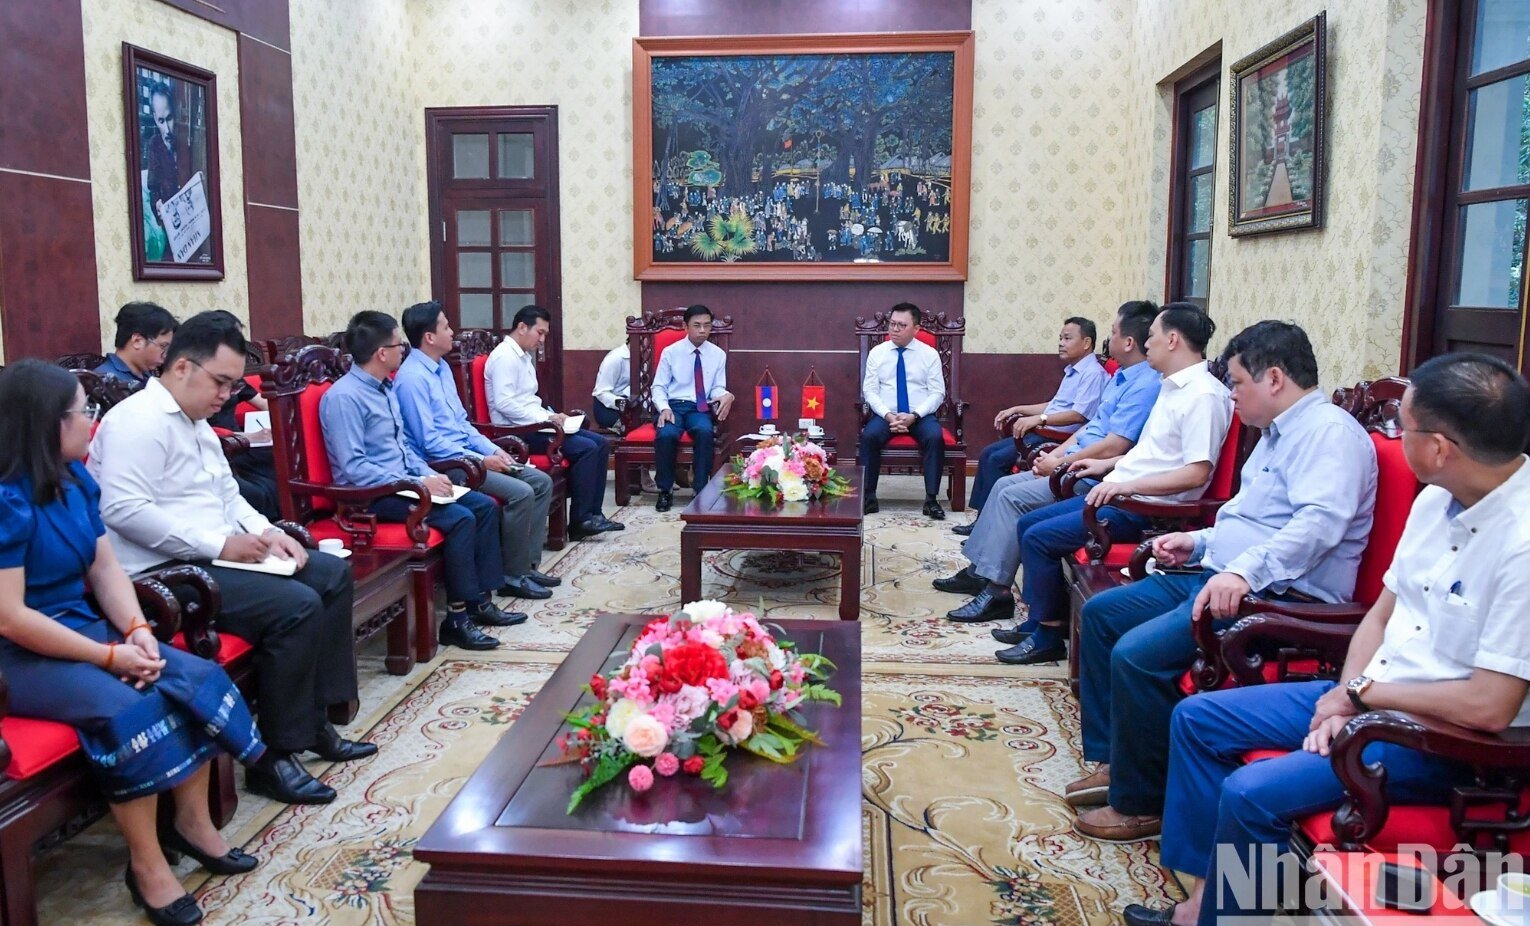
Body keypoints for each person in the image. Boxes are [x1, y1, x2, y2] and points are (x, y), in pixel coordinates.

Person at [1125, 353, 1530, 926]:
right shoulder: (1438, 497)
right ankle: (1207, 898)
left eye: (1403, 430)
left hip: (1441, 738)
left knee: (1251, 792)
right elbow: (1383, 614)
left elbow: (1488, 706)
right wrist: (1345, 696)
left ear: (1439, 448)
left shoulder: (1522, 544)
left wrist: (1362, 700)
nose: (1392, 440)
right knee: (1197, 720)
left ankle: (1227, 916)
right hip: (1375, 693)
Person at [1065, 321, 1378, 844]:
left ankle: (1141, 804)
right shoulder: (1277, 433)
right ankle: (1120, 761)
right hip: (1220, 575)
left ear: (1274, 378)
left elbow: (1317, 527)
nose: (1232, 396)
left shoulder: (1330, 435)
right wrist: (1201, 543)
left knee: (1136, 654)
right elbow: (1243, 518)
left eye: (1237, 383)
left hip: (1278, 597)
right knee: (1102, 616)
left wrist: (1241, 570)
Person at [0, 359, 265, 926]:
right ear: (46, 422)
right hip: (18, 654)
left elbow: (104, 569)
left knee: (194, 679)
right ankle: (147, 865)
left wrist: (138, 631)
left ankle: (193, 825)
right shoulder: (6, 499)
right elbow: (12, 618)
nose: (91, 423)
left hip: (81, 627)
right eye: (82, 411)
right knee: (137, 707)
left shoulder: (72, 478)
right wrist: (109, 656)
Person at [90, 311, 372, 808]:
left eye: (232, 384)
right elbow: (123, 511)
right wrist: (219, 545)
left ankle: (317, 722)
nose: (226, 396)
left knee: (329, 572)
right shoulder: (137, 422)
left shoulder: (196, 423)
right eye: (219, 382)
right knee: (294, 605)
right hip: (160, 574)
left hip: (213, 556)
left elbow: (229, 496)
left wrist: (266, 532)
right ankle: (276, 754)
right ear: (181, 368)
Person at [993, 302, 1233, 665]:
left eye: (1151, 337)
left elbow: (1197, 473)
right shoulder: (1173, 388)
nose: (1145, 344)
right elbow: (1152, 454)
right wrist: (1103, 463)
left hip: (1148, 509)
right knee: (1029, 524)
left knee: (1039, 537)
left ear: (1172, 340)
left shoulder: (1203, 395)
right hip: (1121, 492)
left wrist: (1121, 486)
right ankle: (1042, 622)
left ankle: (1047, 636)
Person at [933, 301, 1163, 623]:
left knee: (1013, 497)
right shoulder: (1122, 376)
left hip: (1091, 473)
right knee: (1003, 485)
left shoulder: (1146, 384)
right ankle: (978, 571)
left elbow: (1115, 443)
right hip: (1074, 458)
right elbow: (1090, 426)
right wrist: (1057, 455)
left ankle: (998, 591)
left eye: (1112, 332)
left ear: (1128, 342)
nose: (1106, 340)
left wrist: (1061, 462)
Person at [323, 311, 522, 649]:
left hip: (407, 483)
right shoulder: (344, 397)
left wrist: (430, 475)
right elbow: (354, 467)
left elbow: (405, 449)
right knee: (460, 519)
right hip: (374, 495)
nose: (404, 349)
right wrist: (415, 483)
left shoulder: (385, 388)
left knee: (483, 507)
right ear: (381, 353)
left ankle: (479, 602)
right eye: (398, 344)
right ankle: (456, 621)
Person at [395, 301, 558, 600]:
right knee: (521, 492)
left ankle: (526, 565)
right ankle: (511, 575)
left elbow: (462, 423)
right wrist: (482, 460)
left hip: (467, 451)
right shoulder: (411, 379)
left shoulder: (441, 367)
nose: (452, 332)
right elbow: (430, 442)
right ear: (429, 337)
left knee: (541, 482)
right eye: (446, 326)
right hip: (446, 464)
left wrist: (493, 449)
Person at [485, 305, 622, 539]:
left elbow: (528, 400)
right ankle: (580, 520)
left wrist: (554, 415)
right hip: (517, 431)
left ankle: (593, 514)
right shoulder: (504, 357)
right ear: (521, 327)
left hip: (534, 422)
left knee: (599, 443)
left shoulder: (522, 356)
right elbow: (504, 405)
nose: (542, 339)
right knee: (586, 449)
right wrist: (546, 419)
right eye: (540, 332)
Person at [960, 316, 1107, 529]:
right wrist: (1018, 409)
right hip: (1043, 431)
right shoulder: (1073, 370)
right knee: (987, 453)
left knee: (996, 460)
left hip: (1058, 438)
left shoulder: (1092, 373)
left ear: (1086, 343)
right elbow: (1053, 406)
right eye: (1060, 338)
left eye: (1067, 338)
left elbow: (1079, 415)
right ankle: (982, 518)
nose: (1061, 343)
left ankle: (987, 524)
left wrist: (1040, 419)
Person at [858, 302, 947, 519]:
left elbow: (937, 393)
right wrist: (888, 415)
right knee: (868, 436)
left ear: (916, 329)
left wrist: (914, 416)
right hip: (886, 414)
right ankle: (869, 497)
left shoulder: (929, 354)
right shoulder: (877, 353)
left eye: (901, 325)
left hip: (919, 414)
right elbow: (869, 390)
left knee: (935, 437)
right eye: (892, 324)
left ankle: (931, 500)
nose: (894, 329)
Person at [651, 304, 734, 512]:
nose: (702, 331)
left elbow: (716, 387)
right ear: (685, 326)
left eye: (707, 326)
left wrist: (725, 395)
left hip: (700, 407)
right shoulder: (671, 352)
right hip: (673, 406)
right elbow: (659, 385)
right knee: (666, 435)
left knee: (705, 432)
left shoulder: (717, 354)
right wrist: (663, 408)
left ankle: (700, 489)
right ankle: (665, 490)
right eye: (697, 325)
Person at [200, 310, 280, 521]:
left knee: (279, 453)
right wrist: (247, 438)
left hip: (241, 440)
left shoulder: (234, 378)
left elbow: (264, 404)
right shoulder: (197, 384)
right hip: (223, 443)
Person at [94, 302, 178, 386]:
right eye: (163, 346)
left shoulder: (145, 373)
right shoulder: (106, 381)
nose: (165, 356)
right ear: (137, 341)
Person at [591, 342, 630, 432]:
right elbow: (601, 392)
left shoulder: (644, 356)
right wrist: (621, 404)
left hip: (631, 404)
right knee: (628, 428)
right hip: (608, 407)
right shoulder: (615, 358)